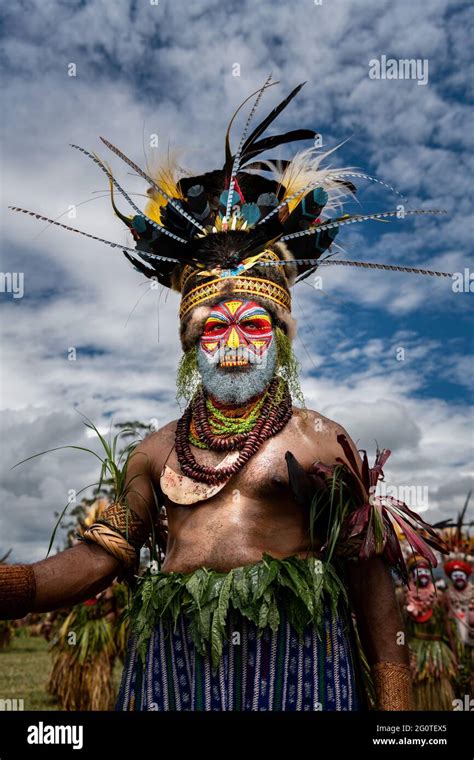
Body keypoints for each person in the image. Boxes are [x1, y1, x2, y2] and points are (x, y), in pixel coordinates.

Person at [1, 79, 448, 711]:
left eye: (254, 324)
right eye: (214, 326)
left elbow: (369, 571)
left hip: (295, 660)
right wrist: (15, 586)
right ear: (191, 344)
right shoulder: (154, 455)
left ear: (280, 341)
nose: (233, 340)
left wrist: (396, 703)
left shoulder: (318, 438)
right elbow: (98, 558)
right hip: (179, 664)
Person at [400, 555, 457, 710]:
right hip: (414, 651)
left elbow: (449, 627)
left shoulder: (440, 597)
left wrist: (454, 650)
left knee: (440, 683)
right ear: (412, 575)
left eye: (425, 571)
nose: (423, 575)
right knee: (416, 684)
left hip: (438, 654)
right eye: (419, 571)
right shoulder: (403, 597)